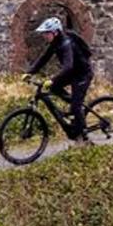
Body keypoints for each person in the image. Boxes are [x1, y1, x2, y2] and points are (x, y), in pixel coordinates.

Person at [26, 16, 94, 144]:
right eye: (44, 34)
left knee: (75, 106)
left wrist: (52, 79)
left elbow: (68, 66)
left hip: (82, 74)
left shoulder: (66, 43)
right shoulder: (55, 43)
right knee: (54, 88)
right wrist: (29, 73)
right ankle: (75, 106)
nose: (44, 36)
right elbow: (43, 58)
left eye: (46, 33)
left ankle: (83, 137)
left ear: (55, 32)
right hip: (72, 73)